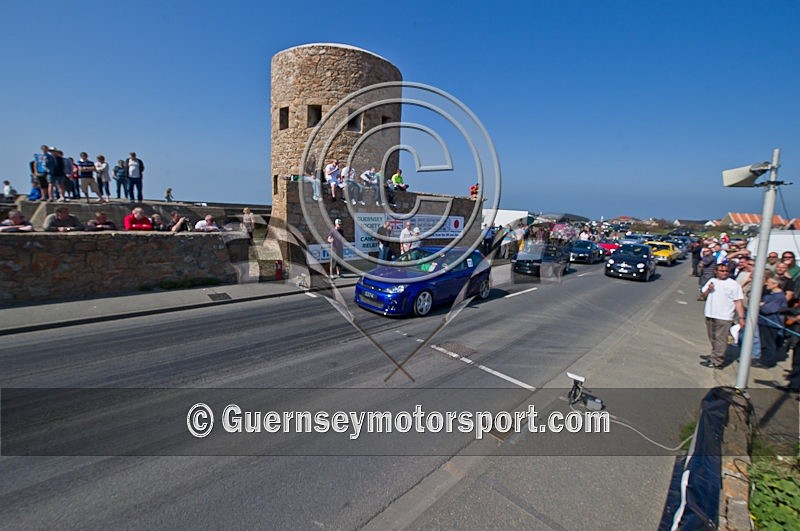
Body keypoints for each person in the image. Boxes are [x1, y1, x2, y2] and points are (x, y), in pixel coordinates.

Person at [699, 263, 745, 368]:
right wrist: (708, 289)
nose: (724, 273)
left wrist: (741, 317)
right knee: (712, 337)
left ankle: (717, 361)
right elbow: (703, 296)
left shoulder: (734, 284)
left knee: (721, 339)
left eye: (726, 271)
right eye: (722, 271)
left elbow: (738, 301)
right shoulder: (712, 281)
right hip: (710, 313)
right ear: (716, 271)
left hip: (724, 316)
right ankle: (714, 354)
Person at [756, 276, 787, 368]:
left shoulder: (779, 297)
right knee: (764, 342)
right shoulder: (769, 294)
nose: (766, 284)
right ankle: (763, 359)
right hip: (764, 322)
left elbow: (768, 309)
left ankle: (768, 362)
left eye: (768, 282)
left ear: (775, 284)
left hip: (771, 323)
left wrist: (761, 305)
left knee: (769, 343)